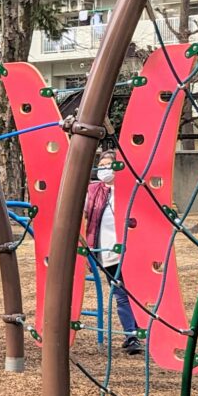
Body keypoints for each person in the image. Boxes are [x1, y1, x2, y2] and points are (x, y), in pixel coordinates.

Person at [84, 149, 142, 355]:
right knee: (120, 293)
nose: (104, 170)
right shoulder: (94, 191)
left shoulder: (129, 190)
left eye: (108, 165)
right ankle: (132, 334)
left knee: (135, 292)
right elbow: (84, 212)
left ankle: (137, 332)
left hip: (130, 249)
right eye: (101, 166)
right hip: (106, 252)